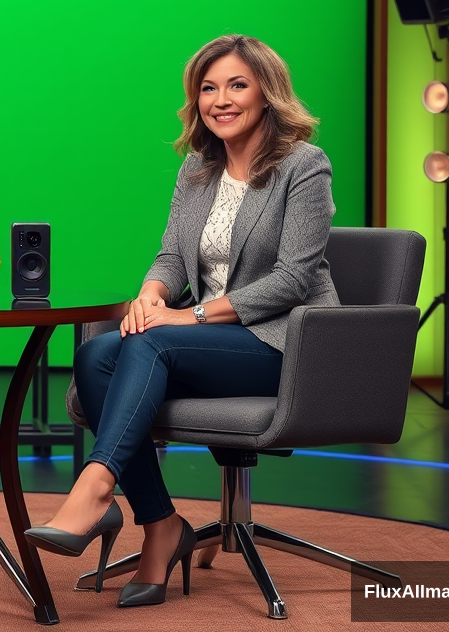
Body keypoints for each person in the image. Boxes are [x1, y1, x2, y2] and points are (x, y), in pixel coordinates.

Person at [24, 34, 337, 608]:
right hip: (209, 339)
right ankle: (161, 524)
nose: (220, 99)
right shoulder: (198, 168)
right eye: (208, 88)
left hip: (282, 344)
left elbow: (294, 278)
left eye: (237, 84)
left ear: (267, 92)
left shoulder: (303, 165)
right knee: (98, 353)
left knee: (156, 343)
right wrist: (150, 295)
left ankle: (95, 488)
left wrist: (185, 315)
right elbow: (172, 253)